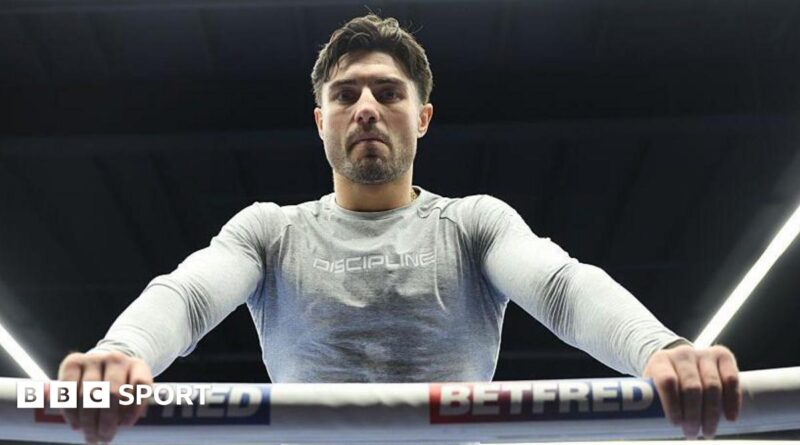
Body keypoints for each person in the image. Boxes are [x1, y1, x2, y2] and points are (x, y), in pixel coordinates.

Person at [57, 13, 742, 444]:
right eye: (344, 94)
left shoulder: (472, 222)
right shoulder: (269, 231)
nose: (365, 107)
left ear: (421, 118)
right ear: (321, 120)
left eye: (388, 93)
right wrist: (124, 351)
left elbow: (561, 287)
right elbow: (189, 293)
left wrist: (662, 348)